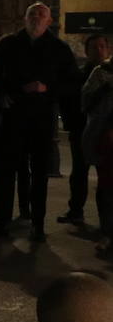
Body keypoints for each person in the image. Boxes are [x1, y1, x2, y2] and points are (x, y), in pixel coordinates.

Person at [0, 3, 78, 243]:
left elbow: (71, 83)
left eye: (41, 14)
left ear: (49, 21)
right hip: (13, 117)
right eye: (32, 14)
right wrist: (2, 93)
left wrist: (47, 88)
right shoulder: (8, 44)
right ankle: (3, 222)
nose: (36, 17)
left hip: (41, 118)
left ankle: (37, 224)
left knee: (40, 174)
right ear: (24, 18)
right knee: (7, 171)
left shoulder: (59, 48)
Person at [57, 34, 110, 227]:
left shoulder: (109, 74)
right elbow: (69, 102)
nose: (99, 50)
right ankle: (76, 211)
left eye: (102, 46)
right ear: (87, 51)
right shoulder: (79, 75)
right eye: (94, 47)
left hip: (105, 134)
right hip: (81, 131)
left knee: (105, 177)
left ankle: (105, 219)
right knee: (79, 173)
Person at [80, 51, 113, 255]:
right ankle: (107, 232)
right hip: (106, 136)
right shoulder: (101, 73)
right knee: (107, 188)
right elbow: (86, 102)